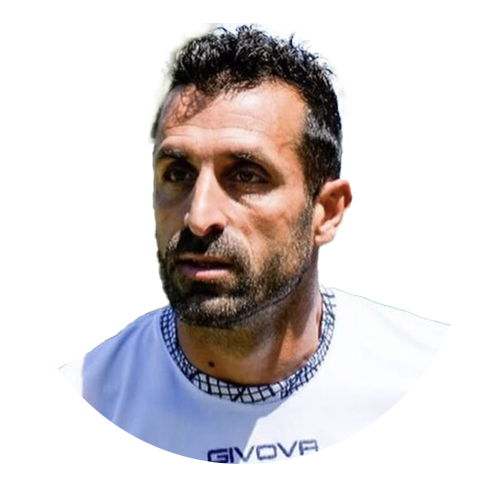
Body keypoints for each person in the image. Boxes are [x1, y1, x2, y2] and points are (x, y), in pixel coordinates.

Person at [57, 25, 451, 464]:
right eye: (178, 174)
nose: (199, 216)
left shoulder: (448, 392)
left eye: (246, 175)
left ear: (326, 212)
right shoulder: (67, 426)